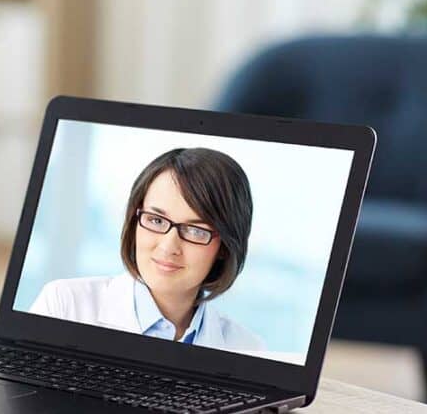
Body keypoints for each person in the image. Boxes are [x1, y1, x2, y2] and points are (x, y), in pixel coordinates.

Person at [30, 148, 265, 352]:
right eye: (156, 220)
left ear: (225, 245)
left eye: (195, 230)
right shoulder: (64, 305)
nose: (168, 246)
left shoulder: (246, 348)